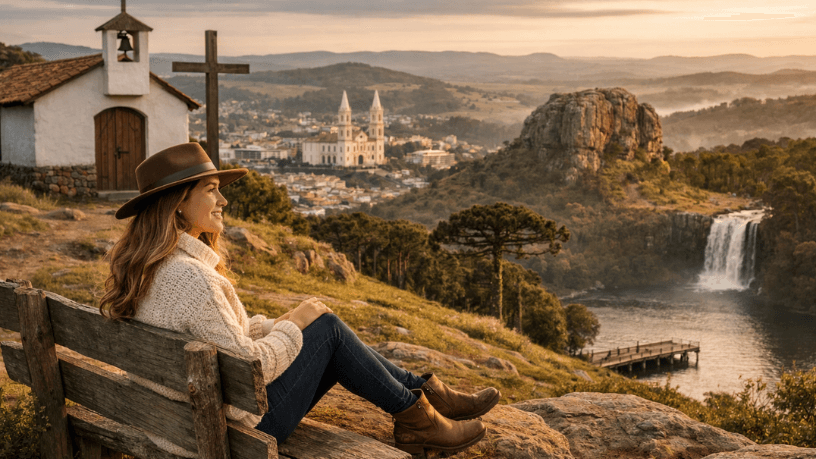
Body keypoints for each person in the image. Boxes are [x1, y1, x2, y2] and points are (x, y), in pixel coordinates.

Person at [100, 142, 500, 456]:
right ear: (178, 205)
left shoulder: (150, 266)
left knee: (319, 324)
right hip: (233, 432)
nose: (223, 201)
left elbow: (219, 333)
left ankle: (424, 398)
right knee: (326, 331)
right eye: (211, 191)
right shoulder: (193, 278)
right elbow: (249, 368)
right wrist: (296, 326)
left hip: (179, 418)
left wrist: (281, 322)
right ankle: (420, 415)